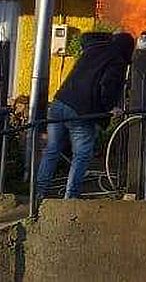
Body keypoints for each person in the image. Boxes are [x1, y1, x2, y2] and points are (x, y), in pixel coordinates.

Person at [35, 31, 135, 200]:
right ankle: (70, 197)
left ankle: (38, 193)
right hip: (82, 113)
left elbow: (88, 38)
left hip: (59, 103)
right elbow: (108, 87)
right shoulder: (117, 61)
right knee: (81, 155)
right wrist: (110, 108)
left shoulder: (93, 49)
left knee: (52, 149)